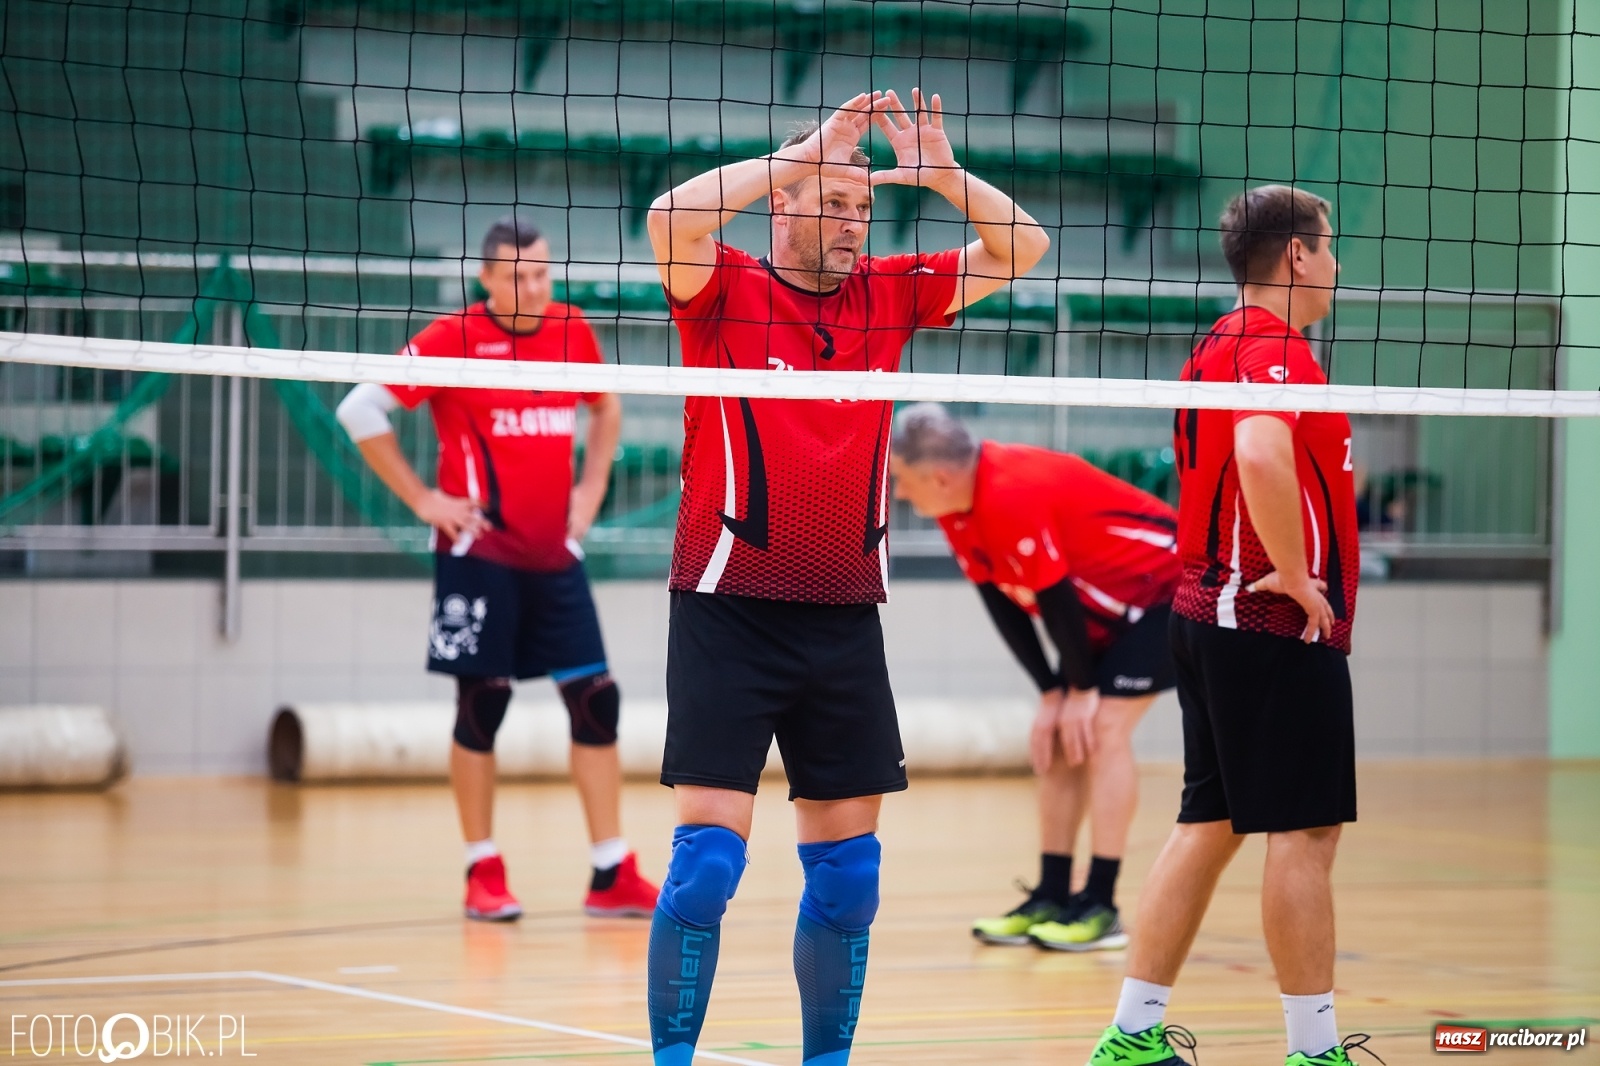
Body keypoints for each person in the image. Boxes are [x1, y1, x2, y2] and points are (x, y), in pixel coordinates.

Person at [642, 90, 1048, 1066]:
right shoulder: (722, 288)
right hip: (724, 610)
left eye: (861, 208)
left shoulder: (890, 291)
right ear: (782, 203)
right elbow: (666, 218)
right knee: (705, 866)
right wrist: (799, 157)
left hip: (841, 619)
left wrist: (945, 177)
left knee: (848, 881)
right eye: (832, 203)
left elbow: (1022, 247)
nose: (852, 223)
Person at [1083, 185, 1366, 1066]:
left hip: (1209, 611)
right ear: (1296, 257)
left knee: (1210, 824)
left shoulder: (1219, 337)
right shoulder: (1266, 344)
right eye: (1329, 247)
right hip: (1265, 620)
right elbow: (1259, 449)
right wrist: (1290, 571)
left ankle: (1132, 1035)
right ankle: (1313, 1051)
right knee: (1306, 833)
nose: (1337, 263)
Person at [335, 216, 659, 923]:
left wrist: (593, 486)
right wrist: (422, 498)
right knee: (484, 705)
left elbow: (605, 408)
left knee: (597, 702)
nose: (535, 287)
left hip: (555, 554)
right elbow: (360, 408)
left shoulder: (572, 327)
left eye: (543, 273)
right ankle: (482, 867)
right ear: (485, 278)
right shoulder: (452, 338)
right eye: (519, 275)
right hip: (478, 553)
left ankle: (611, 872)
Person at [888, 403, 1179, 952]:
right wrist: (1052, 691)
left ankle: (1100, 904)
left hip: (1169, 594)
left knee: (1103, 732)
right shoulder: (957, 505)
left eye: (902, 480)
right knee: (1062, 739)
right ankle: (1051, 893)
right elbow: (1001, 601)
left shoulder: (1011, 491)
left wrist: (1081, 690)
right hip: (1103, 616)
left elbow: (1054, 597)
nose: (899, 494)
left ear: (940, 476)